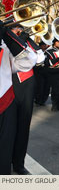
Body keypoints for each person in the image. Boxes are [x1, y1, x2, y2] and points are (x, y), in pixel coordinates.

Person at [0, 22, 37, 175]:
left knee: (4, 154)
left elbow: (29, 61)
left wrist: (8, 36)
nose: (18, 30)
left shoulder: (5, 45)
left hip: (4, 101)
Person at [9, 25, 45, 175]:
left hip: (26, 87)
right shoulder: (5, 40)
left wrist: (27, 42)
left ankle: (19, 164)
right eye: (14, 27)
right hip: (9, 85)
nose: (18, 30)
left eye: (19, 27)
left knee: (23, 128)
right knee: (7, 129)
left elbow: (40, 59)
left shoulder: (27, 42)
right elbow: (12, 63)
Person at [45, 38, 59, 111]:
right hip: (54, 72)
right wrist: (57, 59)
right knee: (55, 89)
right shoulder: (49, 51)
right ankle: (54, 105)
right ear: (54, 42)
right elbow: (47, 63)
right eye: (58, 41)